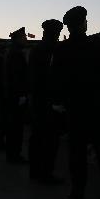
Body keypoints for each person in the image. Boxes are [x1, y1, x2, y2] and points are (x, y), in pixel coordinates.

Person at [53, 5, 100, 199]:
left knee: (76, 151)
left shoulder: (62, 49)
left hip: (74, 107)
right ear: (83, 24)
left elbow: (56, 77)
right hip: (97, 105)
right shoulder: (95, 44)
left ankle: (77, 190)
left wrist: (58, 101)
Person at [28, 19, 64, 183]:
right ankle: (45, 172)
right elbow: (55, 77)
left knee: (37, 137)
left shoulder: (36, 49)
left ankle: (35, 170)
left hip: (37, 99)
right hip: (49, 100)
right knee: (49, 139)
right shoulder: (53, 50)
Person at [4, 27, 29, 164]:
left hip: (14, 95)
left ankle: (12, 153)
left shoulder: (14, 52)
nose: (26, 39)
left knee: (14, 126)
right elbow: (16, 77)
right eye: (24, 37)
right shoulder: (16, 54)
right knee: (16, 127)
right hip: (16, 96)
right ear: (18, 39)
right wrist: (21, 95)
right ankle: (14, 154)